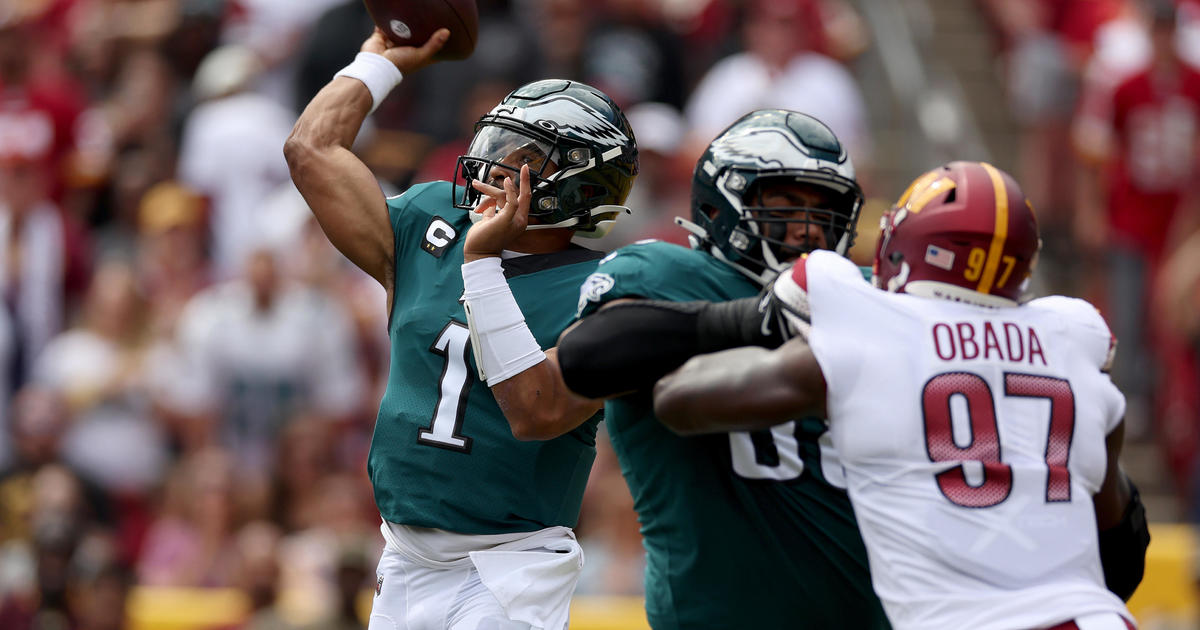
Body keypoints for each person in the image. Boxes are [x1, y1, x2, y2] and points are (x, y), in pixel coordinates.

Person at [653, 161, 1150, 630]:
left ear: (904, 243)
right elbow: (1123, 539)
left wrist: (762, 321)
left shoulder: (872, 333)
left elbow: (678, 399)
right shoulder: (1070, 339)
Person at [466, 108, 889, 629]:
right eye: (785, 204)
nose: (805, 229)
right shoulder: (668, 276)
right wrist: (753, 319)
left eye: (822, 209)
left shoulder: (869, 294)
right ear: (724, 202)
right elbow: (587, 359)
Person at [283, 27, 639, 630]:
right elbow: (310, 150)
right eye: (499, 142)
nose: (494, 163)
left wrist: (481, 267)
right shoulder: (431, 223)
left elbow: (536, 411)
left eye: (524, 158)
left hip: (510, 567)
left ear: (575, 186)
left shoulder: (606, 289)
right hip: (402, 557)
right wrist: (377, 62)